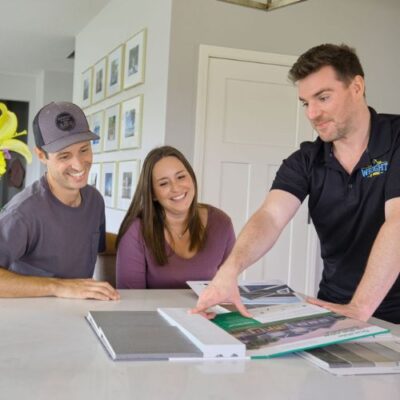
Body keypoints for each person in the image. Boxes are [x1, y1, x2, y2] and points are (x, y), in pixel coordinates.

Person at [191, 44, 400, 324]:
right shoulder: (306, 160)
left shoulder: (396, 139)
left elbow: (398, 221)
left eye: (323, 98)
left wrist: (360, 307)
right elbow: (270, 217)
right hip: (336, 305)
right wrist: (229, 271)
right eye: (305, 103)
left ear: (357, 87)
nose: (312, 114)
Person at [0, 101, 119, 300]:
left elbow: (94, 242)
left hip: (79, 316)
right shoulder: (22, 213)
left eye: (84, 149)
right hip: (28, 322)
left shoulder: (94, 201)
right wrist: (59, 287)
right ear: (41, 155)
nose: (79, 164)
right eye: (65, 155)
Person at [116, 146, 235, 289]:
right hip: (152, 312)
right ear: (153, 194)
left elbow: (227, 288)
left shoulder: (221, 223)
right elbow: (131, 301)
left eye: (181, 177)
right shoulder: (135, 231)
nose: (176, 188)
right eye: (164, 183)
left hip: (208, 311)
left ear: (191, 177)